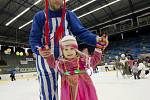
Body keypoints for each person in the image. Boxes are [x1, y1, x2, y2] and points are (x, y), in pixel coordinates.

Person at [29, 0, 108, 100]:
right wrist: (38, 50)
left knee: (70, 93)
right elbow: (34, 38)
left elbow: (81, 32)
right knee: (47, 93)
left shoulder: (69, 15)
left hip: (68, 61)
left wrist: (97, 39)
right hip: (45, 61)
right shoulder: (40, 16)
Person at [47, 35, 102, 100]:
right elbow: (52, 64)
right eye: (66, 49)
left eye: (72, 49)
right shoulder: (61, 63)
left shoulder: (82, 60)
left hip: (83, 87)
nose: (69, 51)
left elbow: (94, 60)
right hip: (68, 89)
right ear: (62, 51)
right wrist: (47, 55)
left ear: (76, 50)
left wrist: (98, 48)